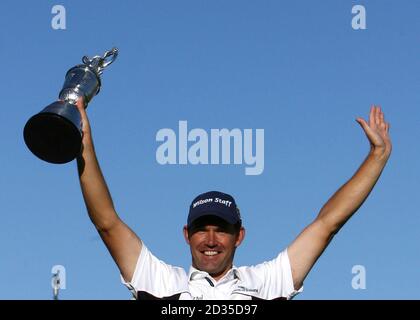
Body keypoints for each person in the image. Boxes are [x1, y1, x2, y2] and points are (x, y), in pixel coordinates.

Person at [75, 98, 392, 300]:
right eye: (201, 228)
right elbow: (106, 222)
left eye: (221, 229)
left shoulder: (266, 284)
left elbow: (327, 224)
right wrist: (84, 143)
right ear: (187, 235)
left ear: (239, 236)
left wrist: (377, 157)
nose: (211, 239)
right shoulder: (159, 282)